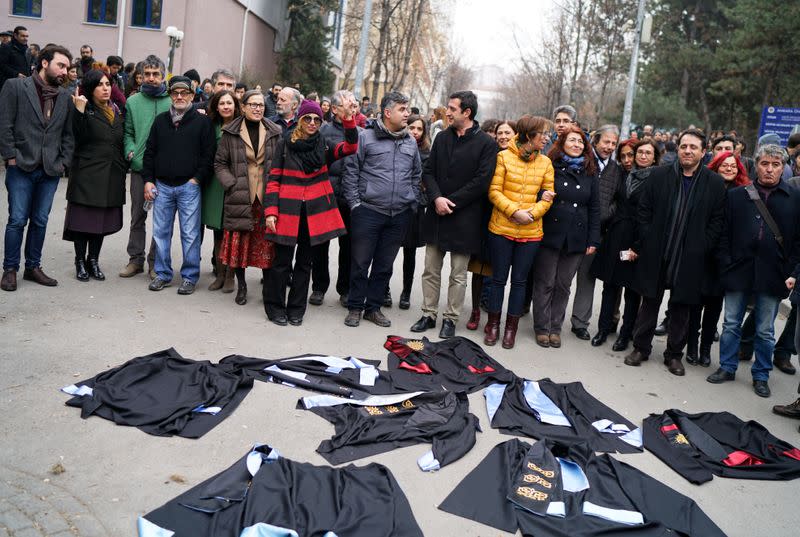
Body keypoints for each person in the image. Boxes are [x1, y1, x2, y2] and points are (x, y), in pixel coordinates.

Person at [622, 129, 726, 376]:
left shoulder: (714, 183)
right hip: (658, 250)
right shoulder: (660, 175)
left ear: (703, 152)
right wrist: (648, 238)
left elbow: (717, 221)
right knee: (649, 302)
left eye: (693, 147)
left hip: (690, 256)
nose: (688, 151)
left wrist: (703, 245)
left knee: (682, 308)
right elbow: (644, 211)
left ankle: (674, 355)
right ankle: (641, 348)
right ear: (676, 149)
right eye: (683, 146)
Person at [707, 144, 800, 398]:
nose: (769, 169)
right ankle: (727, 367)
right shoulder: (737, 195)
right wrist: (726, 261)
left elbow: (799, 241)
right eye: (764, 164)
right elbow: (724, 233)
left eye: (776, 165)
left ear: (783, 167)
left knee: (765, 330)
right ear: (755, 165)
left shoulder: (795, 198)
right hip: (738, 269)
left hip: (773, 272)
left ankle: (761, 375)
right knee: (731, 323)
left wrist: (791, 271)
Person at [410, 90, 496, 339]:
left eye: (452, 108)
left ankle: (450, 318)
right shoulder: (442, 138)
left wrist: (451, 202)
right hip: (437, 214)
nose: (447, 112)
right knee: (430, 269)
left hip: (465, 219)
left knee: (458, 275)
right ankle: (428, 314)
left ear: (466, 112)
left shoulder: (486, 144)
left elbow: (482, 182)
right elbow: (428, 171)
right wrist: (436, 198)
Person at [264, 99, 357, 326]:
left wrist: (348, 119)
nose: (313, 123)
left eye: (317, 119)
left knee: (305, 263)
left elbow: (351, 147)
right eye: (308, 118)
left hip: (313, 213)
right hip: (287, 210)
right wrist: (270, 212)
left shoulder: (323, 144)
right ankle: (275, 307)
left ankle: (296, 309)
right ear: (300, 119)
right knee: (281, 263)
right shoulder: (285, 144)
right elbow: (273, 178)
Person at [341, 91, 419, 328]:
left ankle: (372, 309)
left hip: (398, 214)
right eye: (402, 110)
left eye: (407, 109)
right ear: (387, 113)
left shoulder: (410, 141)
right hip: (368, 211)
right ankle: (355, 307)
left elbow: (416, 174)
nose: (407, 114)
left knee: (384, 266)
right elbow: (351, 171)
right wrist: (355, 205)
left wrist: (411, 200)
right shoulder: (365, 138)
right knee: (360, 262)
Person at [0, 45, 74, 292]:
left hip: (50, 169)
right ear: (44, 63)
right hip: (20, 165)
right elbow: (4, 125)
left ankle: (33, 267)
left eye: (67, 67)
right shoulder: (15, 87)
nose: (65, 71)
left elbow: (68, 134)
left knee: (40, 221)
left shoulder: (64, 96)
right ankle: (10, 269)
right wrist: (10, 157)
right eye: (60, 65)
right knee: (17, 220)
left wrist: (64, 162)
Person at [484, 115, 554, 348]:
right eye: (542, 133)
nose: (546, 138)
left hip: (531, 232)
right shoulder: (503, 157)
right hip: (501, 228)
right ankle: (493, 324)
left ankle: (510, 329)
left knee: (520, 282)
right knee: (498, 279)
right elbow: (494, 191)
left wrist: (532, 214)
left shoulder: (545, 163)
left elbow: (548, 196)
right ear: (528, 135)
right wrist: (514, 212)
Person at [143, 76, 215, 295]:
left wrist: (196, 180)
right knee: (161, 232)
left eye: (185, 93)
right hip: (162, 186)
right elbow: (150, 152)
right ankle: (163, 274)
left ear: (193, 96)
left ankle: (189, 276)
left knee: (190, 234)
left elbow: (208, 155)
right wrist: (148, 180)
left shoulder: (203, 122)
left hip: (189, 186)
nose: (180, 97)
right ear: (170, 95)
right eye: (175, 93)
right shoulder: (160, 121)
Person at [532, 125, 600, 348]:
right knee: (546, 282)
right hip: (550, 232)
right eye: (572, 140)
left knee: (563, 284)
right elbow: (536, 193)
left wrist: (593, 239)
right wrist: (543, 195)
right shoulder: (550, 166)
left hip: (577, 237)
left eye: (580, 142)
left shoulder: (591, 172)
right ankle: (542, 327)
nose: (577, 145)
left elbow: (594, 208)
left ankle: (555, 327)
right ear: (562, 143)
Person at [591, 139, 661, 352]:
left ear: (654, 157)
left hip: (638, 240)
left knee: (632, 292)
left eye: (648, 153)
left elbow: (655, 216)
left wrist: (638, 247)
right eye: (640, 152)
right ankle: (603, 329)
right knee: (610, 287)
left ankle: (625, 334)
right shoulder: (625, 174)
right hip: (616, 236)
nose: (642, 156)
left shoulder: (658, 179)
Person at [215, 90, 282, 305]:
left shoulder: (274, 131)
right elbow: (220, 163)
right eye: (252, 104)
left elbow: (281, 162)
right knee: (241, 243)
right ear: (242, 107)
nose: (257, 108)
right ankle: (241, 285)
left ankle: (267, 286)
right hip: (241, 194)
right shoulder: (230, 132)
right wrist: (231, 184)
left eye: (261, 105)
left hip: (267, 196)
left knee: (267, 244)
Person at [684, 150, 750, 366]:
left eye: (733, 166)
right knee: (695, 305)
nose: (729, 168)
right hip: (701, 255)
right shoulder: (704, 187)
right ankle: (691, 346)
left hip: (724, 261)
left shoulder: (744, 193)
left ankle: (705, 350)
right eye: (725, 165)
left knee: (714, 307)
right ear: (716, 167)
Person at [63, 69, 127, 282]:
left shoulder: (116, 110)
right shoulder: (82, 108)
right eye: (100, 84)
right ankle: (80, 261)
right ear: (90, 88)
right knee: (83, 222)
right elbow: (76, 137)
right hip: (87, 175)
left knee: (100, 223)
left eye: (108, 84)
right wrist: (79, 111)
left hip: (111, 174)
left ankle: (94, 261)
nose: (105, 88)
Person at [120, 55, 171, 279]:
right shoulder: (132, 102)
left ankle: (154, 262)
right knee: (137, 216)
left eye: (155, 74)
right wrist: (130, 150)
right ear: (141, 76)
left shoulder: (172, 101)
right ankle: (135, 259)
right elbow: (128, 132)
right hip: (140, 168)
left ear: (163, 75)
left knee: (162, 220)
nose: (151, 78)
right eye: (147, 74)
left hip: (166, 171)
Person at [308, 90, 359, 308]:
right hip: (326, 195)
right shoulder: (323, 131)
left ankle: (345, 289)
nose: (353, 107)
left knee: (348, 247)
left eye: (355, 104)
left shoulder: (359, 133)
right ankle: (319, 287)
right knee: (320, 245)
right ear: (335, 109)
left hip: (350, 198)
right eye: (348, 104)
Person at [574, 124, 622, 342]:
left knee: (587, 279)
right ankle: (548, 319)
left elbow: (617, 201)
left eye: (613, 143)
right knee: (560, 279)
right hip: (573, 228)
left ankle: (580, 323)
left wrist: (604, 214)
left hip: (596, 233)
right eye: (606, 142)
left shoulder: (616, 170)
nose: (609, 147)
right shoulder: (582, 161)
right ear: (595, 141)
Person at [466, 120, 516, 331]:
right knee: (479, 269)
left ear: (516, 134)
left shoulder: (520, 158)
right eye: (500, 133)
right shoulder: (489, 153)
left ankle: (493, 317)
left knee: (499, 272)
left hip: (509, 221)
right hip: (485, 216)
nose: (503, 136)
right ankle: (475, 310)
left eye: (508, 133)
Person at [202, 89, 241, 293]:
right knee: (218, 230)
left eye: (229, 103)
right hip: (215, 184)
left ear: (235, 105)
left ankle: (230, 276)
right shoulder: (211, 125)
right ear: (216, 106)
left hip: (236, 182)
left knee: (232, 231)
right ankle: (219, 272)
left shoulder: (242, 126)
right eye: (222, 103)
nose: (226, 106)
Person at [394, 113, 431, 310]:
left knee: (409, 253)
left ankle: (406, 291)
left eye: (419, 129)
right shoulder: (395, 145)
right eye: (412, 128)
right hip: (394, 204)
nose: (415, 132)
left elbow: (427, 181)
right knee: (388, 250)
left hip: (415, 207)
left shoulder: (427, 152)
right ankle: (384, 290)